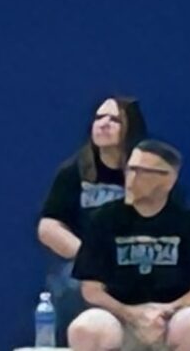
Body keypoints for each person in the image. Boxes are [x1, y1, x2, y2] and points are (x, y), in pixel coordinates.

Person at [68, 140, 190, 351]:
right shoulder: (104, 219)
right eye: (130, 169)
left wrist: (166, 310)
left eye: (142, 171)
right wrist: (131, 314)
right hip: (120, 319)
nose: (131, 178)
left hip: (172, 319)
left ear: (168, 179)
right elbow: (91, 289)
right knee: (84, 330)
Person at [38, 96, 143, 329]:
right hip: (86, 263)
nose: (103, 123)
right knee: (72, 284)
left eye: (114, 119)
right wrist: (90, 257)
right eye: (98, 117)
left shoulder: (147, 171)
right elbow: (48, 227)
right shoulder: (73, 171)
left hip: (137, 258)